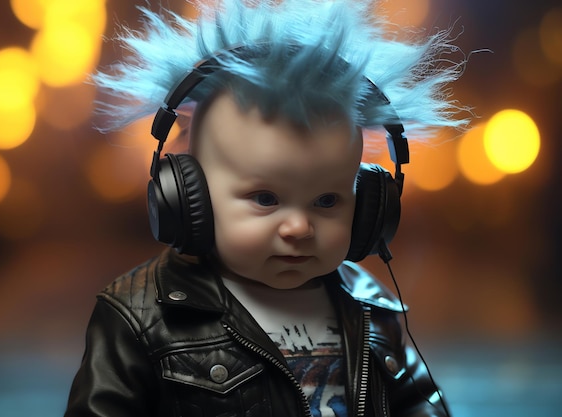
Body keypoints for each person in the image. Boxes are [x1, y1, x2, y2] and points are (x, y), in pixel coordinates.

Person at [64, 0, 468, 416]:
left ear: (368, 208)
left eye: (327, 201)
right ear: (188, 198)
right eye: (265, 199)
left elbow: (417, 405)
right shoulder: (142, 316)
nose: (298, 227)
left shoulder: (371, 308)